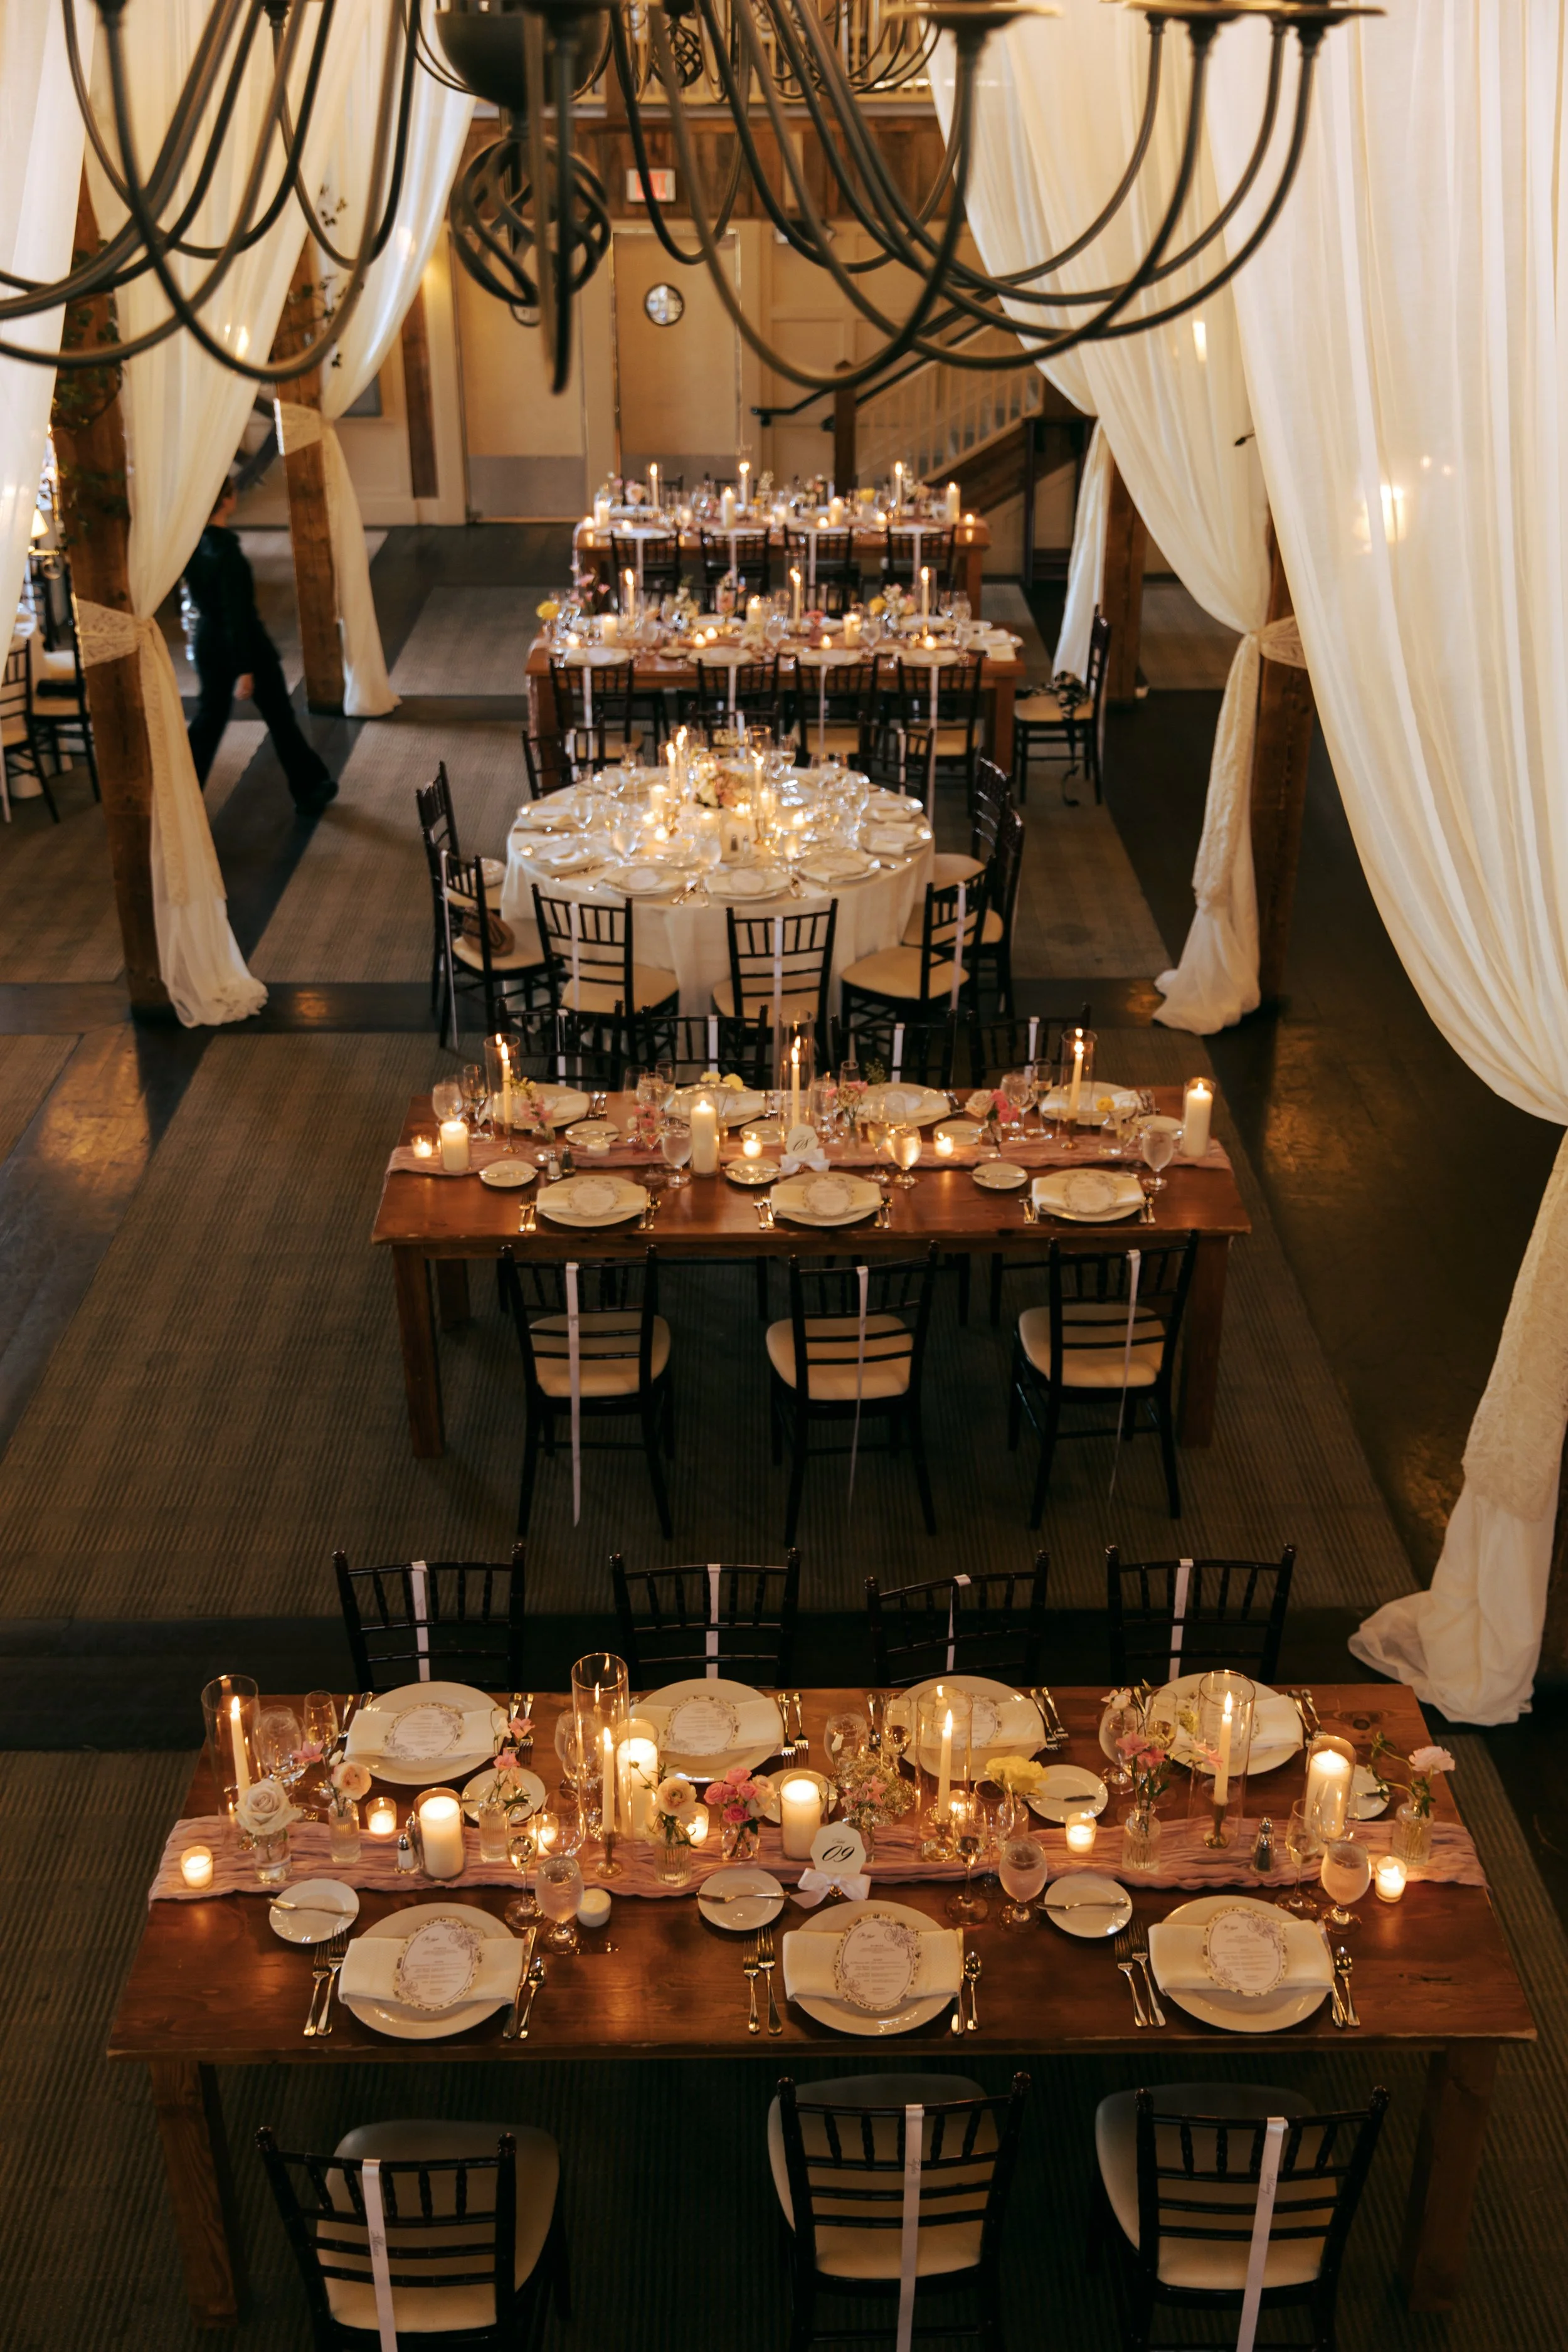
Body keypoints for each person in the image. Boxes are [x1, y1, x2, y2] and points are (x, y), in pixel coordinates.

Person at [184, 477, 337, 815]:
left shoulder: (192, 544)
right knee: (280, 716)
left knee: (209, 720)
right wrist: (245, 668)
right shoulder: (228, 554)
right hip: (245, 645)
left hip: (208, 640)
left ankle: (181, 795)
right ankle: (310, 787)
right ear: (226, 500)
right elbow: (237, 614)